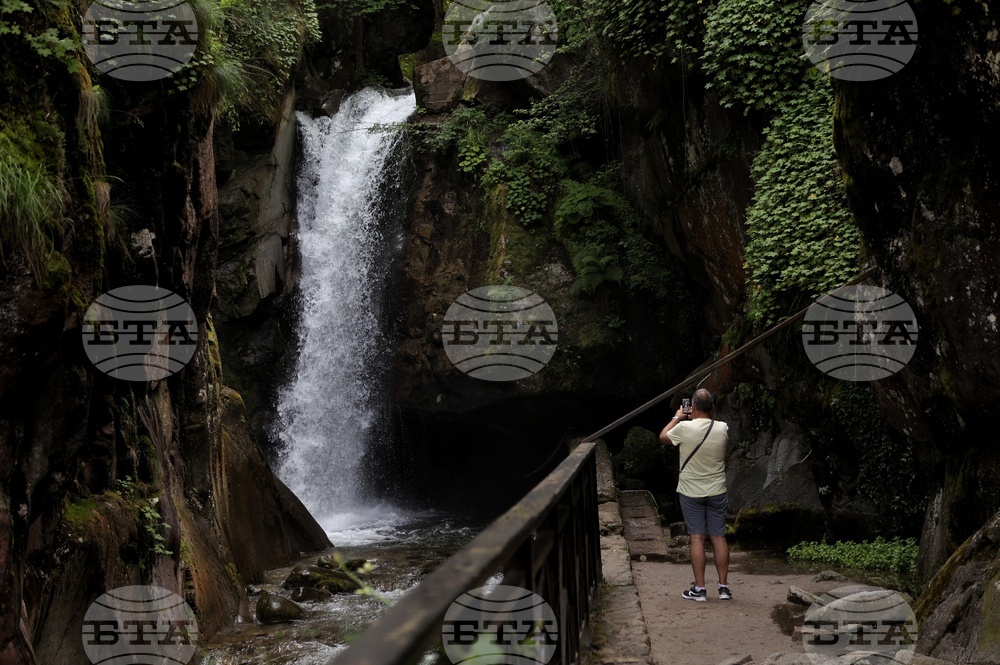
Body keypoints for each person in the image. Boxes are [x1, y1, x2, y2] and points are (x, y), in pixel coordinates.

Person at [659, 388, 731, 602]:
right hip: (717, 490)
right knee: (719, 537)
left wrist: (677, 417)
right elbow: (711, 425)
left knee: (697, 538)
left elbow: (663, 437)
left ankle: (700, 590)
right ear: (713, 408)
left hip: (691, 491)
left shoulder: (684, 428)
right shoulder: (723, 428)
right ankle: (724, 588)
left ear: (693, 407)